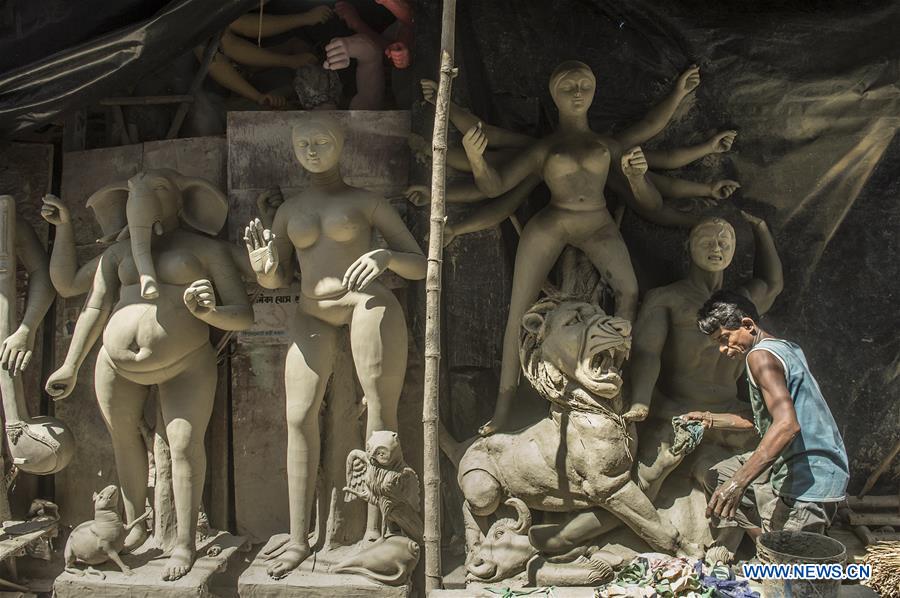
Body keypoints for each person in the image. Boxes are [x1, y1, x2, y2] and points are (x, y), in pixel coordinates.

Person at [243, 114, 426, 578]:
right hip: (311, 310)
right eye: (303, 143)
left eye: (322, 141)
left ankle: (375, 531)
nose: (312, 150)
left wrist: (385, 256)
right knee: (299, 416)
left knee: (380, 416)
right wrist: (264, 269)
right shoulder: (289, 212)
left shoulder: (366, 202)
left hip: (366, 301)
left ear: (341, 146)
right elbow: (278, 278)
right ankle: (299, 538)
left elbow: (422, 264)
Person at [693, 290, 849, 542]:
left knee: (791, 575)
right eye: (717, 343)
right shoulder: (787, 348)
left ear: (747, 325)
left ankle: (774, 549)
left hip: (809, 473)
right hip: (809, 462)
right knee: (718, 475)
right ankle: (767, 541)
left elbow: (787, 425)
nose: (722, 348)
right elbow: (763, 417)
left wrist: (738, 483)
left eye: (725, 338)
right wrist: (707, 418)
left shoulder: (760, 357)